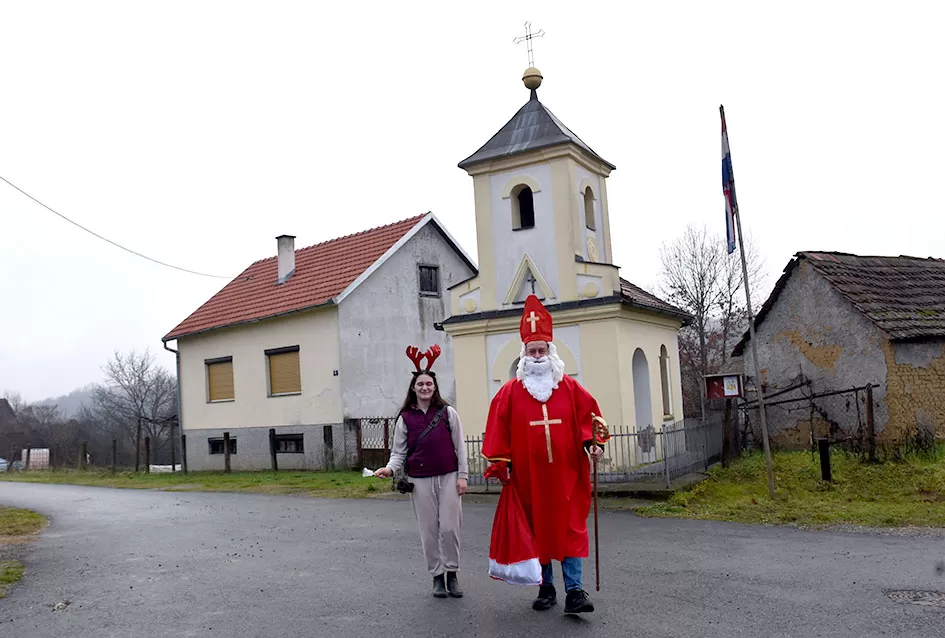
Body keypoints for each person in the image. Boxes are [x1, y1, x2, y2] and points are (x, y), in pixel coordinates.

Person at [482, 295, 605, 614]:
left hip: (567, 478)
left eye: (542, 350)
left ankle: (575, 591)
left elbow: (589, 420)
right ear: (524, 356)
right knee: (537, 532)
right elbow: (498, 428)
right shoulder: (510, 392)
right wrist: (501, 462)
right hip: (529, 480)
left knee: (570, 530)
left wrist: (593, 444)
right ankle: (546, 587)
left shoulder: (570, 389)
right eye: (532, 351)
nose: (537, 356)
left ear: (551, 353)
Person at [375, 344, 468, 598]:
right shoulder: (405, 417)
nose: (425, 388)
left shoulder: (447, 413)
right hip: (420, 481)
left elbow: (460, 446)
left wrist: (462, 476)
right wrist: (389, 469)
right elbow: (399, 452)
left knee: (450, 528)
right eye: (420, 385)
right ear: (413, 388)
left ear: (435, 388)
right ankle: (437, 576)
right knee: (428, 531)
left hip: (448, 476)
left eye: (429, 384)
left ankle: (452, 573)